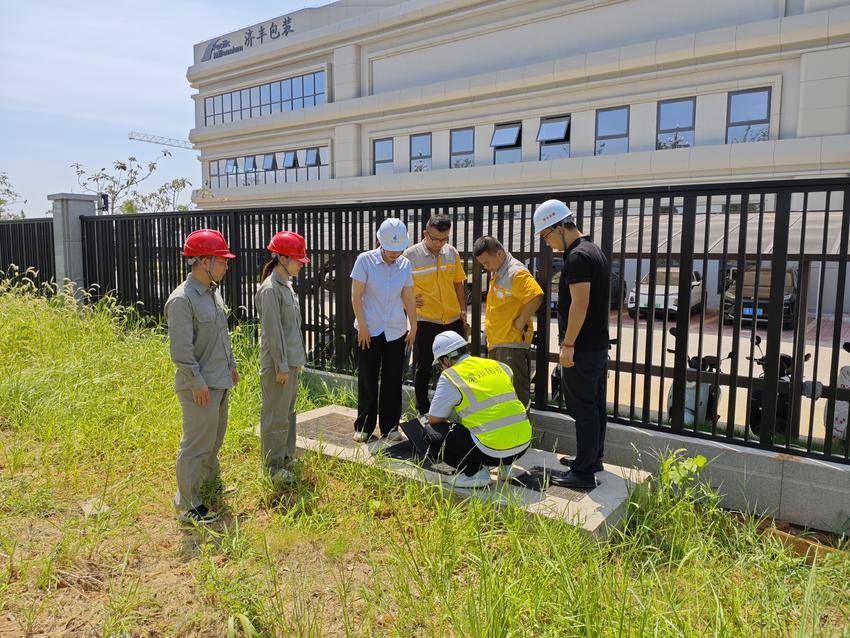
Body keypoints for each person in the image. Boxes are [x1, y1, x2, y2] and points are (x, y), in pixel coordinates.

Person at [534, 199, 611, 490]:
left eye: (546, 236)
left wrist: (568, 344)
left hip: (582, 347)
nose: (548, 243)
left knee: (583, 409)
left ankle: (583, 473)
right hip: (596, 345)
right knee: (595, 405)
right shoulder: (593, 250)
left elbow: (580, 303)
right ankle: (592, 459)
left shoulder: (577, 256)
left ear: (559, 227)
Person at [164, 229, 239, 524]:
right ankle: (187, 504)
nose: (227, 265)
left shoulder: (212, 292)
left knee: (214, 439)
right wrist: (196, 382)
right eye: (222, 260)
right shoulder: (182, 300)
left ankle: (207, 486)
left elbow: (222, 334)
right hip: (200, 386)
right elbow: (181, 351)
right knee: (196, 445)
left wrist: (231, 364)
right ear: (204, 262)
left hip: (219, 380)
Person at [417, 330, 532, 488]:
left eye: (440, 364)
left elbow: (434, 418)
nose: (441, 368)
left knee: (431, 431)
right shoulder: (499, 365)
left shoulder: (451, 375)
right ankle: (506, 467)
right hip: (522, 445)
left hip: (491, 452)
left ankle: (475, 473)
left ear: (446, 360)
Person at [350, 218, 418, 442]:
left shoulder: (404, 264)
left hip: (395, 330)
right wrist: (362, 326)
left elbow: (408, 296)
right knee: (368, 377)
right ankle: (364, 426)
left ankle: (390, 426)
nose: (394, 254)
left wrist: (413, 325)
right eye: (391, 249)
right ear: (380, 242)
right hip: (369, 329)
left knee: (393, 378)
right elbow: (356, 295)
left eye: (398, 250)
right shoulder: (365, 260)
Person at [255, 231, 310, 488]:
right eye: (298, 260)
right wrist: (281, 366)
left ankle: (286, 457)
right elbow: (273, 332)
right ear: (283, 258)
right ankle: (272, 466)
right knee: (275, 414)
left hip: (291, 362)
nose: (301, 264)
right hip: (280, 365)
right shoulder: (270, 290)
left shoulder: (286, 286)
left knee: (288, 412)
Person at [403, 214, 467, 415]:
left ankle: (460, 409)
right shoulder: (410, 256)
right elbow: (399, 286)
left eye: (444, 239)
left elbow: (458, 283)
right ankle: (423, 410)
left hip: (452, 319)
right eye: (435, 239)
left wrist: (463, 310)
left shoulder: (451, 253)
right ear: (425, 233)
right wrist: (408, 300)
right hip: (426, 321)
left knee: (458, 366)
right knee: (425, 367)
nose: (439, 244)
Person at [473, 236, 543, 407]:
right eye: (482, 263)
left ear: (499, 254)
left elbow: (536, 296)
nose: (485, 267)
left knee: (516, 394)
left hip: (511, 343)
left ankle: (521, 424)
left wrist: (520, 323)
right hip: (500, 341)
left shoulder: (515, 272)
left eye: (486, 262)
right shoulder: (501, 271)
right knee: (502, 393)